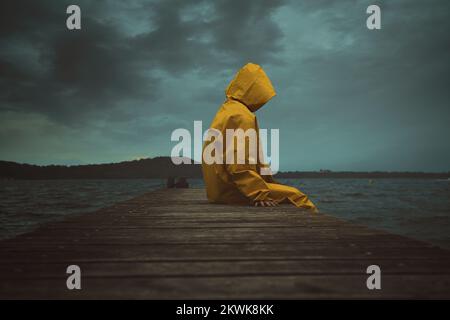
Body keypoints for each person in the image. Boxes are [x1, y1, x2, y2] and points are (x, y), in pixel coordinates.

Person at [202, 63, 317, 211]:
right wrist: (258, 193)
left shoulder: (227, 110)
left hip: (217, 191)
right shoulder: (242, 116)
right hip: (232, 191)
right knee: (298, 196)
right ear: (255, 91)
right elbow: (238, 161)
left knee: (283, 191)